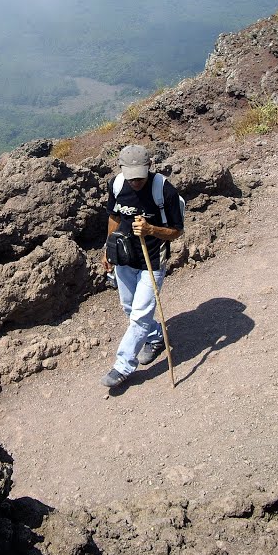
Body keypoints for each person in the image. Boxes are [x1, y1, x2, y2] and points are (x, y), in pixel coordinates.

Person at [100, 144, 184, 387]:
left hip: (153, 259)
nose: (135, 181)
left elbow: (177, 231)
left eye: (140, 175)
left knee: (139, 314)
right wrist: (107, 247)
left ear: (149, 167)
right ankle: (156, 337)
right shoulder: (116, 185)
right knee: (129, 307)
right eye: (131, 176)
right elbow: (114, 216)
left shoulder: (163, 190)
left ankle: (123, 365)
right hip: (125, 256)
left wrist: (151, 230)